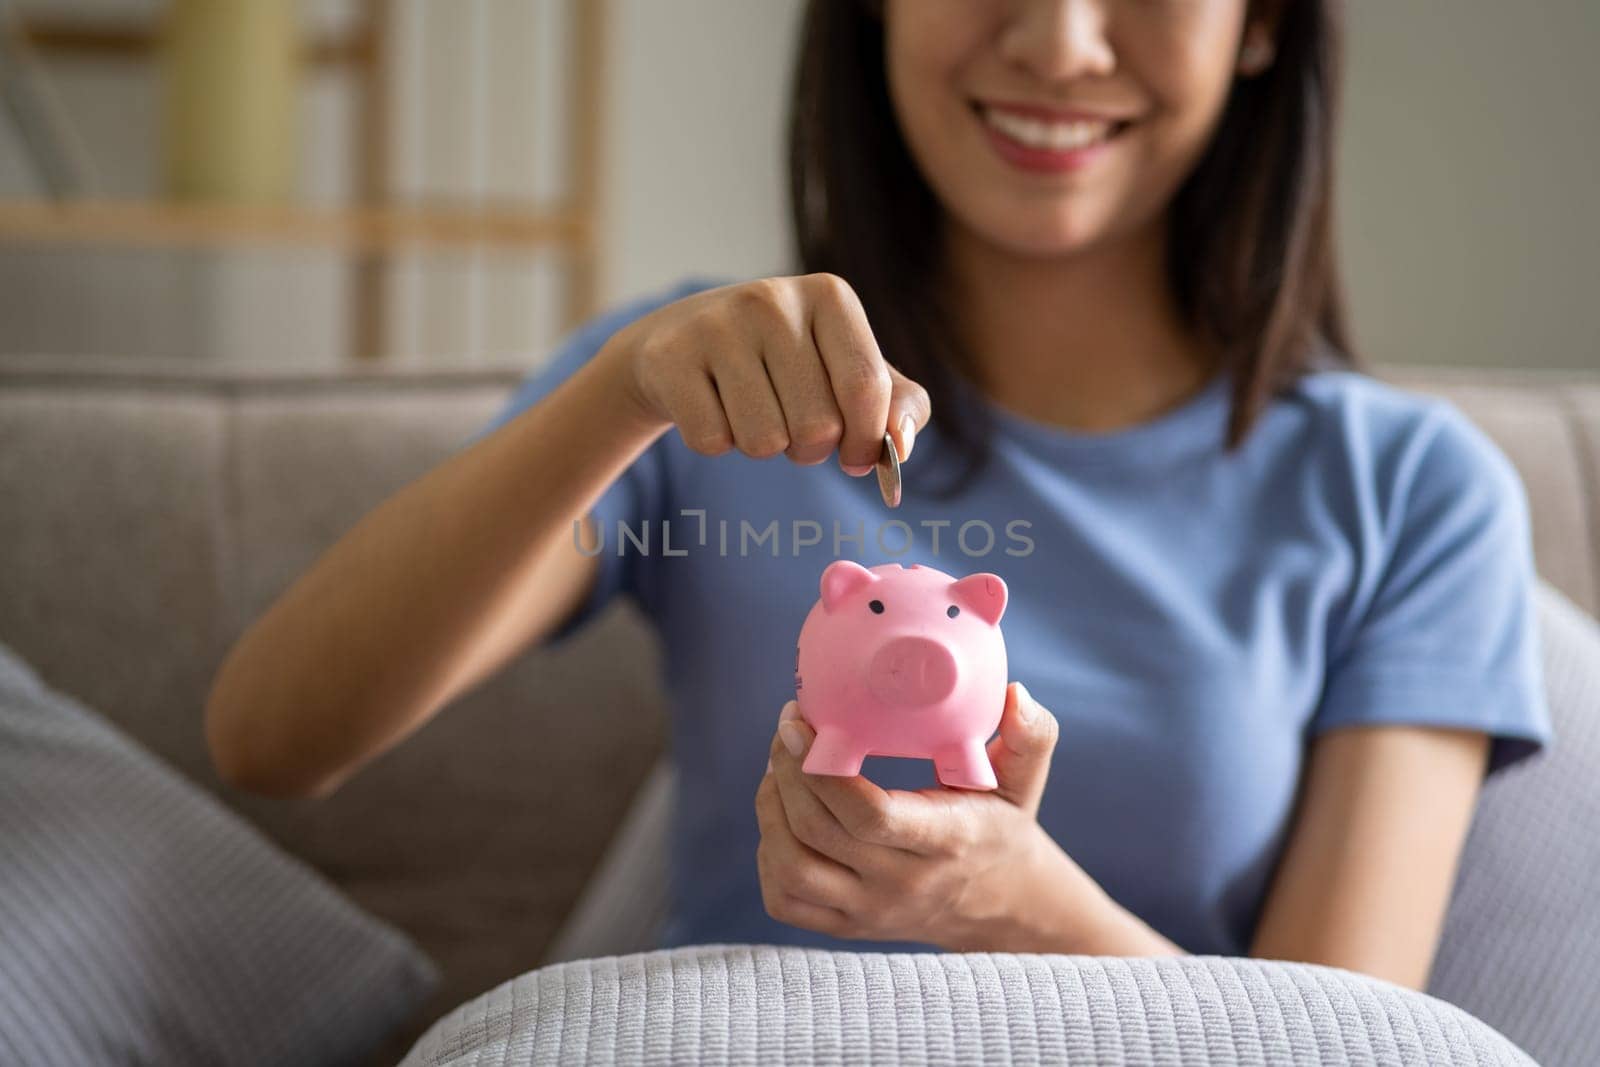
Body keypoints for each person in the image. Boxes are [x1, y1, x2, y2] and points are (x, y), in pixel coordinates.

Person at [204, 0, 1552, 991]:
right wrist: (619, 391)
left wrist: (1017, 911)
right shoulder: (696, 397)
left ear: (1261, 25)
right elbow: (274, 736)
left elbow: (1345, 1040)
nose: (1061, 43)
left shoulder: (1410, 497)